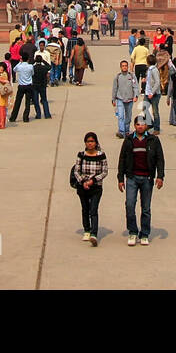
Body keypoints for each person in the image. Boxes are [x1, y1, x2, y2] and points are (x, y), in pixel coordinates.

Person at [117, 116, 165, 246]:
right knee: (130, 206)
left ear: (146, 126)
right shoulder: (128, 140)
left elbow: (160, 159)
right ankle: (133, 232)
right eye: (138, 124)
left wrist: (160, 176)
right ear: (134, 126)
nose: (140, 127)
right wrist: (120, 178)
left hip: (147, 179)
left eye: (142, 125)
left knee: (146, 208)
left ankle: (144, 233)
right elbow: (122, 159)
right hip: (132, 178)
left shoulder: (153, 140)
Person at [73, 131, 110, 246]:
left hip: (96, 187)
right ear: (85, 143)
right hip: (83, 187)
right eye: (88, 141)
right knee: (85, 209)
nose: (90, 144)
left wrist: (92, 181)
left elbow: (104, 172)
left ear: (96, 142)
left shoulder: (101, 155)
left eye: (92, 141)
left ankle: (94, 233)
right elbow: (76, 171)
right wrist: (83, 181)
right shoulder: (81, 155)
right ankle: (87, 230)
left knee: (93, 210)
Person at [111, 59, 139, 138]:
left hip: (130, 99)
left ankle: (126, 131)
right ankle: (121, 131)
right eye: (123, 66)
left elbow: (136, 86)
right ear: (120, 67)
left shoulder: (131, 76)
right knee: (120, 116)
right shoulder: (117, 77)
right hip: (120, 99)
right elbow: (114, 88)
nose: (124, 67)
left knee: (128, 116)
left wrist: (136, 96)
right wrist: (113, 99)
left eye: (126, 66)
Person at [10, 50, 36, 123]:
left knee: (18, 102)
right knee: (27, 102)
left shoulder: (19, 66)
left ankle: (13, 117)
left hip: (21, 86)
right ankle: (25, 117)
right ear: (28, 59)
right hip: (28, 85)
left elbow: (14, 69)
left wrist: (19, 62)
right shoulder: (30, 66)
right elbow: (32, 74)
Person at [31, 43, 52, 119]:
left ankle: (38, 114)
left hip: (35, 85)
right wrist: (43, 61)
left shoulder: (33, 68)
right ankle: (47, 114)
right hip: (43, 85)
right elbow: (49, 66)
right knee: (44, 100)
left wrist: (34, 61)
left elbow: (30, 65)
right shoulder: (44, 68)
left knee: (36, 101)